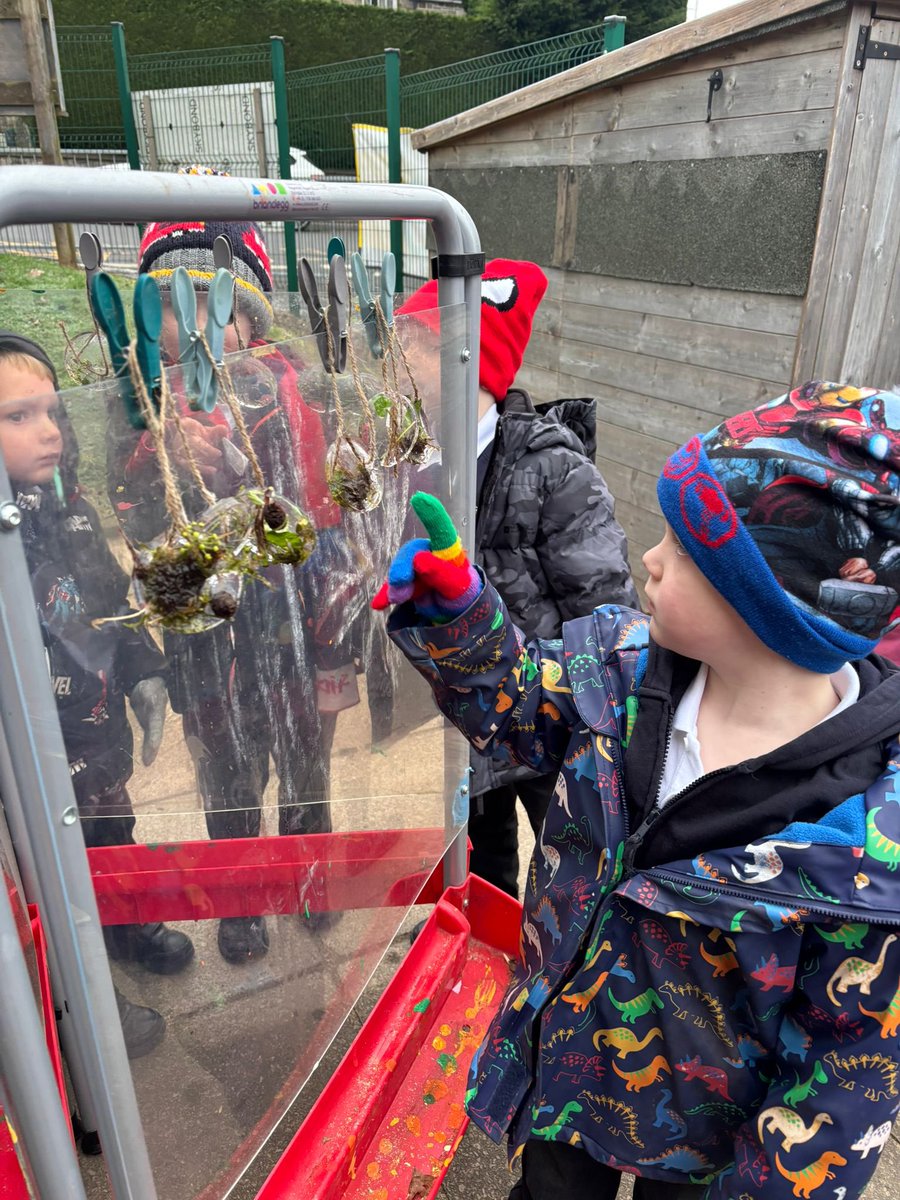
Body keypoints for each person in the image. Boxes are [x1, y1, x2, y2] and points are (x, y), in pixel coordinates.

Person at [374, 380, 900, 1200]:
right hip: (572, 1063)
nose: (651, 560)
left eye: (686, 553)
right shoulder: (615, 667)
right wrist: (461, 614)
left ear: (770, 606)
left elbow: (845, 1071)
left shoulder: (868, 844)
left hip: (708, 1142)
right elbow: (516, 703)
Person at [108, 210, 355, 963]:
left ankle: (308, 872)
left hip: (302, 619)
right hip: (210, 643)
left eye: (211, 306)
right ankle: (241, 896)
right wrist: (164, 461)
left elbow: (322, 508)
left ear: (250, 321)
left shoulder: (288, 390)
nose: (193, 328)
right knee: (225, 769)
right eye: (170, 310)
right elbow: (139, 525)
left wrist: (265, 474)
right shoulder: (144, 405)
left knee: (307, 757)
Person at [397, 260, 637, 897]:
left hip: (539, 703)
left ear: (465, 360)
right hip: (462, 702)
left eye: (416, 342)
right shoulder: (412, 455)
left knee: (570, 849)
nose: (400, 356)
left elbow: (605, 607)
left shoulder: (554, 471)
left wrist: (585, 715)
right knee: (480, 845)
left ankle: (561, 949)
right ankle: (485, 936)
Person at [0, 331, 194, 1058]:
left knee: (112, 831)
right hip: (32, 750)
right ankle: (76, 1002)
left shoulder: (68, 505)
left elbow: (112, 596)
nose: (47, 429)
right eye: (18, 417)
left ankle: (123, 922)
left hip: (94, 729)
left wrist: (144, 667)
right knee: (53, 872)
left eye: (52, 411)